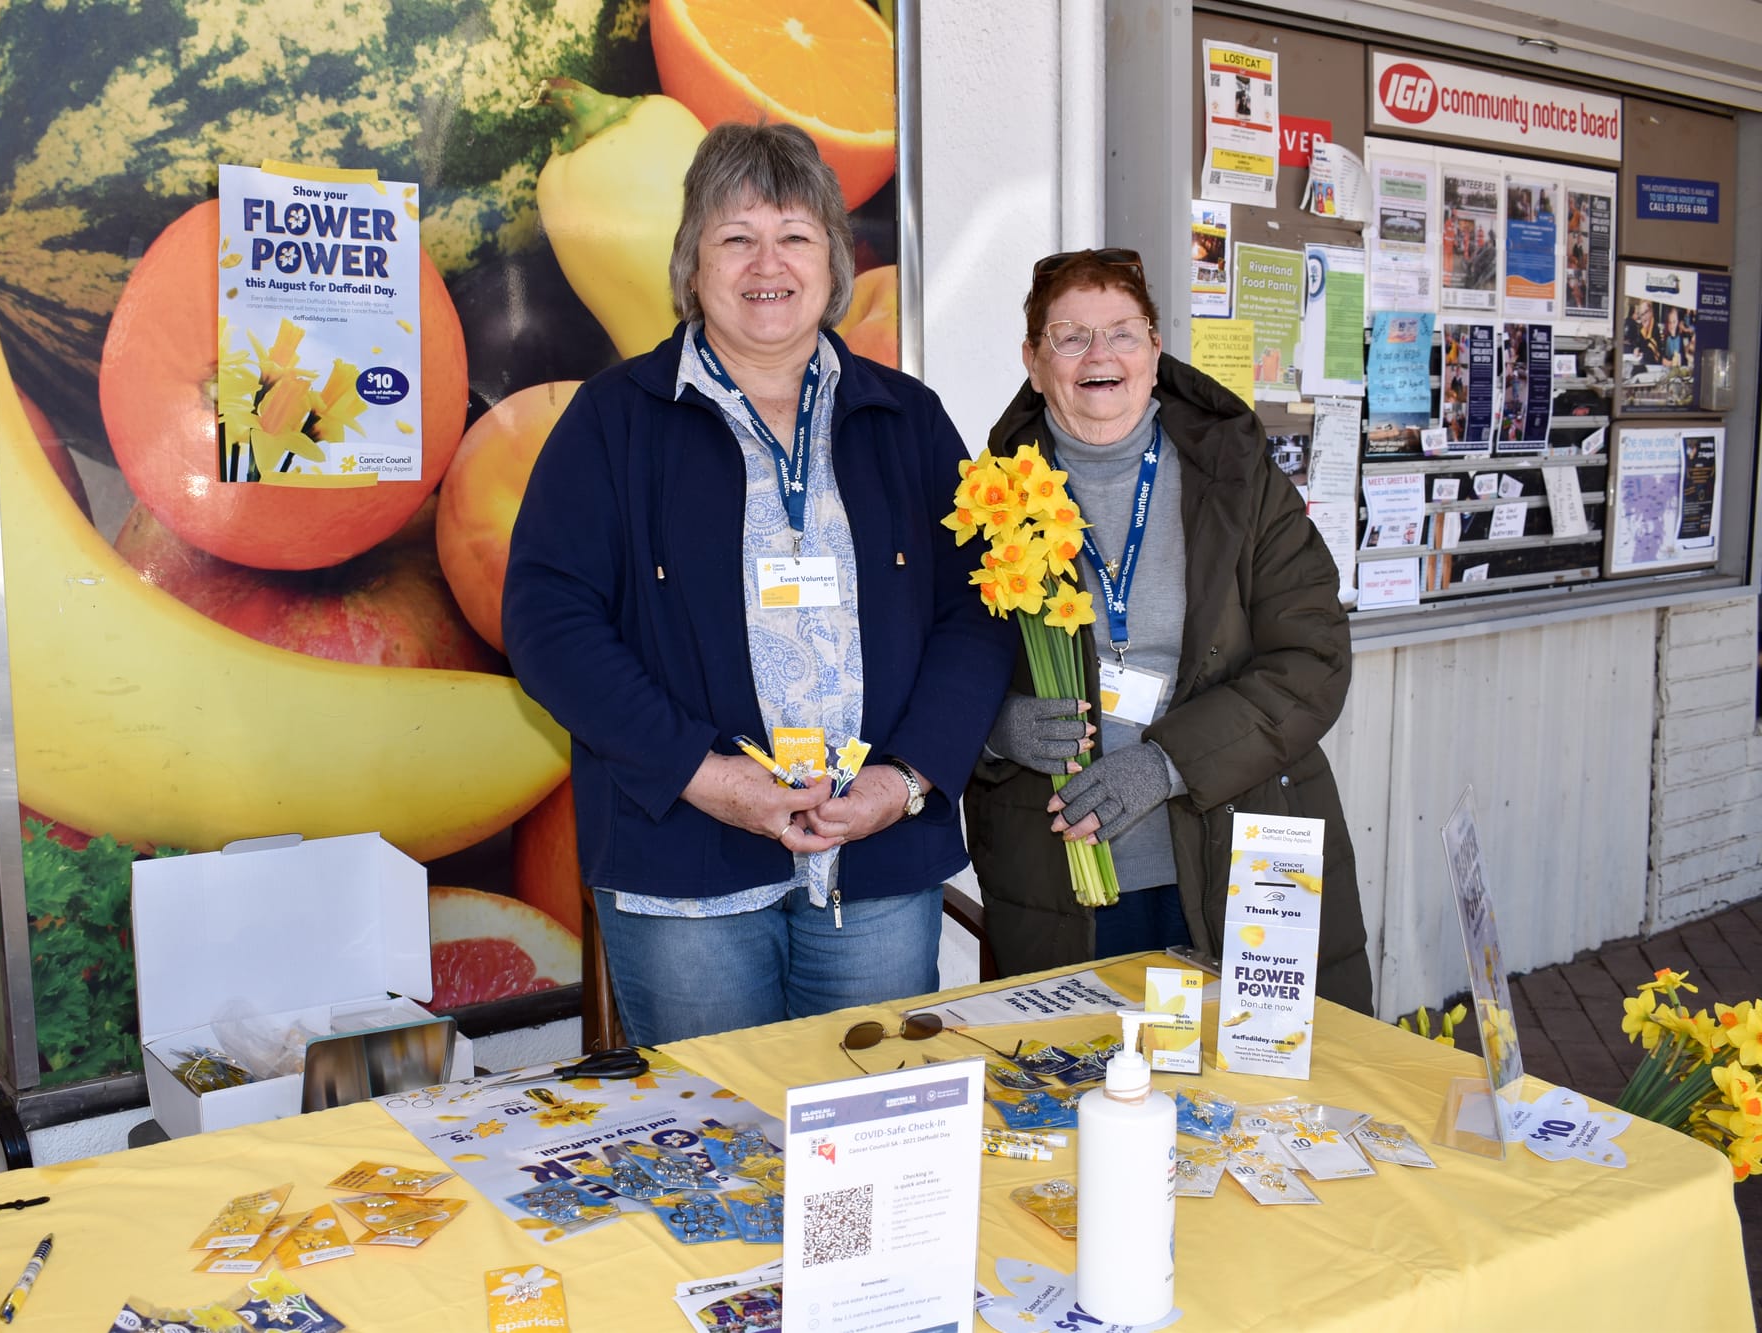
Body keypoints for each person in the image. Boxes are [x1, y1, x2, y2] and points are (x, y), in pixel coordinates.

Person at [502, 123, 1014, 1045]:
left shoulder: (910, 421)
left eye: (795, 236)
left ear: (832, 262)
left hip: (877, 868)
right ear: (692, 265)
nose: (766, 263)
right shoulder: (615, 421)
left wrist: (904, 782)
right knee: (720, 1134)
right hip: (686, 871)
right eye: (735, 237)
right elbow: (549, 623)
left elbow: (974, 612)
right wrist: (702, 775)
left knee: (868, 1131)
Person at [964, 249, 1372, 1012]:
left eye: (1122, 332)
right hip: (1058, 874)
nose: (1100, 356)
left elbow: (1313, 657)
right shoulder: (990, 498)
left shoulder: (1238, 478)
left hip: (1232, 850)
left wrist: (1166, 765)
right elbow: (934, 659)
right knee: (1079, 1094)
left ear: (1155, 348)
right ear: (1033, 358)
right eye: (1070, 336)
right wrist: (990, 726)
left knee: (1248, 1103)